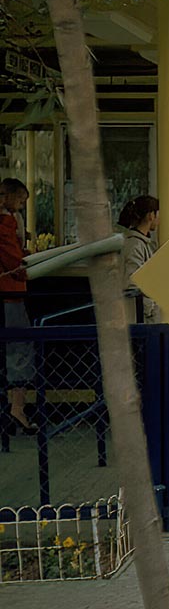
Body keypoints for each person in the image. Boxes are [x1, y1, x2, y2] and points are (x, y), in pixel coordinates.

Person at [0, 179, 34, 432]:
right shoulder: (5, 223)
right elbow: (14, 262)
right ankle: (17, 408)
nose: (21, 208)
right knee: (19, 348)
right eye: (21, 201)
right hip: (10, 294)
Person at [118, 195, 161, 322]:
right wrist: (151, 309)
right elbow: (134, 283)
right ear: (150, 216)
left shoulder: (140, 244)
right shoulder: (135, 246)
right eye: (157, 214)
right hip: (141, 317)